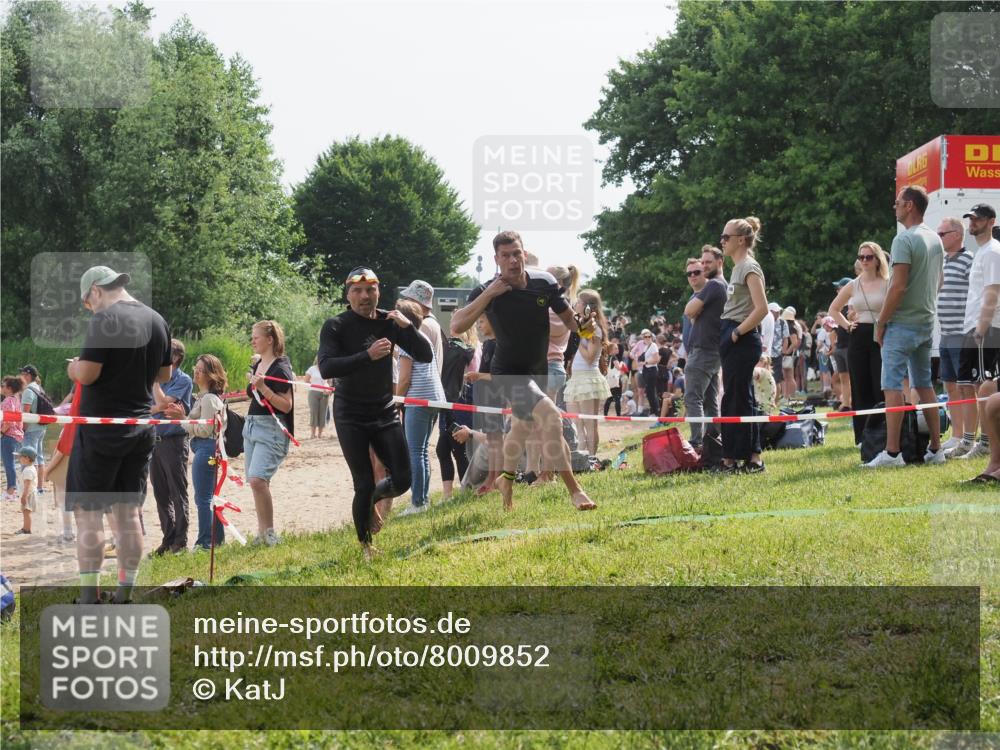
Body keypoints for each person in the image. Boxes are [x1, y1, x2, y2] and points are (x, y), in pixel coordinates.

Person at [450, 230, 596, 511]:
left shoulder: (544, 283)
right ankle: (575, 490)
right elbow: (457, 325)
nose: (513, 260)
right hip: (508, 372)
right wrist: (490, 294)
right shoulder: (486, 290)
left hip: (537, 370)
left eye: (516, 253)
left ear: (524, 254)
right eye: (505, 256)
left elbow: (571, 322)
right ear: (496, 259)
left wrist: (584, 326)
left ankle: (505, 480)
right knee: (551, 417)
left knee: (520, 428)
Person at [66, 265, 172, 604]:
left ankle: (89, 599)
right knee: (128, 517)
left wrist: (73, 366)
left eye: (87, 303)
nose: (90, 309)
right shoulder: (157, 320)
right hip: (140, 429)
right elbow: (164, 375)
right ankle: (124, 595)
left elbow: (88, 374)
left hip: (100, 431)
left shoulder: (105, 319)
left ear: (95, 291)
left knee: (88, 516)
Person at [318, 267, 432, 560]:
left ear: (379, 292)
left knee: (403, 480)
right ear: (348, 295)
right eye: (357, 291)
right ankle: (366, 546)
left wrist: (408, 328)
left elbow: (425, 355)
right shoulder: (336, 325)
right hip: (350, 413)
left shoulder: (390, 322)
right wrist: (367, 356)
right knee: (364, 482)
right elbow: (327, 367)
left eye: (370, 290)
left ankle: (372, 501)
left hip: (384, 411)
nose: (364, 296)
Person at [866, 186, 945, 468]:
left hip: (901, 324)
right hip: (926, 322)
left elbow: (897, 286)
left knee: (891, 386)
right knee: (924, 385)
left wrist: (881, 322)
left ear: (909, 205)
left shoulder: (904, 239)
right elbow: (939, 281)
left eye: (898, 202)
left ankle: (892, 453)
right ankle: (936, 448)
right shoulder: (935, 238)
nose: (895, 206)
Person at [718, 216, 769, 473]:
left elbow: (762, 308)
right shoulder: (738, 267)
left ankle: (747, 458)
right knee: (735, 397)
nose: (722, 241)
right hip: (732, 333)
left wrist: (737, 332)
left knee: (739, 399)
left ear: (740, 240)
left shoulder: (749, 266)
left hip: (742, 336)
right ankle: (739, 457)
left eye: (726, 237)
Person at [951, 203, 1000, 461]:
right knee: (971, 385)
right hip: (974, 326)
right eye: (971, 218)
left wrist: (981, 328)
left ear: (991, 222)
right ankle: (970, 440)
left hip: (987, 328)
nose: (973, 222)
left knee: (984, 387)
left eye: (978, 219)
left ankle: (986, 443)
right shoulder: (982, 251)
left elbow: (992, 292)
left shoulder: (992, 251)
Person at [828, 242, 889, 446]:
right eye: (861, 257)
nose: (864, 261)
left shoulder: (887, 282)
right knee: (860, 387)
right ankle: (862, 437)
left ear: (877, 259)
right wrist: (847, 325)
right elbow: (834, 309)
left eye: (868, 257)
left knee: (879, 386)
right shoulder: (853, 284)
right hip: (858, 335)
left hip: (880, 334)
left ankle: (882, 433)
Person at [165, 354, 228, 550]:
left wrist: (182, 418)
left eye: (201, 370)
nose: (196, 372)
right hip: (207, 448)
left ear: (211, 375)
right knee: (208, 497)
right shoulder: (205, 397)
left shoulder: (208, 399)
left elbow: (204, 430)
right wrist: (184, 418)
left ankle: (205, 542)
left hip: (206, 448)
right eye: (196, 368)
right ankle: (216, 540)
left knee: (203, 499)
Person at [244, 320, 295, 545]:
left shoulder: (281, 368)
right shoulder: (259, 364)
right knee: (256, 481)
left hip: (271, 428)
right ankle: (262, 532)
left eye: (256, 337)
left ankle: (270, 533)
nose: (252, 341)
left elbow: (286, 405)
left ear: (270, 339)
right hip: (252, 426)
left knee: (257, 479)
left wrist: (264, 388)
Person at [394, 298, 446, 515]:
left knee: (415, 451)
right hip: (434, 398)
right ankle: (422, 500)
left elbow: (404, 379)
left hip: (418, 399)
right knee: (422, 451)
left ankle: (417, 503)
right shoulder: (422, 337)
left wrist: (396, 401)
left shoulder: (407, 342)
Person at [933, 216, 976, 454]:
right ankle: (956, 435)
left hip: (963, 333)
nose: (939, 238)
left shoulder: (969, 260)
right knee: (949, 386)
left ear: (957, 235)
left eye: (942, 234)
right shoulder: (941, 261)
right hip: (946, 333)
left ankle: (969, 438)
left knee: (965, 387)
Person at [149, 339, 193, 555]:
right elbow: (149, 407)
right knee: (160, 493)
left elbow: (164, 404)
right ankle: (167, 539)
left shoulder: (183, 380)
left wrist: (154, 383)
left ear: (175, 358)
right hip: (153, 441)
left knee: (178, 492)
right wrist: (157, 406)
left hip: (174, 441)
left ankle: (180, 541)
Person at [684, 250, 727, 449]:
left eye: (698, 271)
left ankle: (697, 443)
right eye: (689, 273)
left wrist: (695, 307)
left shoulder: (713, 285)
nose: (693, 276)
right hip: (709, 350)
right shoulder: (718, 287)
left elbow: (689, 311)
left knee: (693, 397)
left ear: (720, 262)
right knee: (710, 400)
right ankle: (712, 442)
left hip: (704, 350)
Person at [564, 289, 612, 456]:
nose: (575, 304)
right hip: (576, 379)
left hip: (588, 378)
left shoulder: (595, 328)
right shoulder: (580, 325)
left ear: (587, 307)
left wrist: (577, 342)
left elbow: (591, 358)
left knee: (590, 424)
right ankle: (582, 458)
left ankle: (591, 459)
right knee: (577, 425)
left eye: (578, 302)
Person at [465, 315, 505, 495]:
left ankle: (495, 477)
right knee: (492, 438)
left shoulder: (499, 345)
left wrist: (478, 375)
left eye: (482, 322)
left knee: (496, 439)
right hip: (486, 397)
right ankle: (492, 476)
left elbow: (499, 376)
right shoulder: (488, 344)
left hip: (495, 397)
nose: (479, 325)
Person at [42, 382, 83, 542]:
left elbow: (60, 453)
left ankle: (67, 531)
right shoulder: (81, 426)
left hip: (64, 468)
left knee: (64, 499)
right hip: (80, 465)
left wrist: (47, 470)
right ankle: (81, 531)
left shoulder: (66, 430)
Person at [399, 280, 444, 375]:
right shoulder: (432, 321)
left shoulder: (423, 325)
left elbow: (408, 363)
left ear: (417, 302)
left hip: (418, 383)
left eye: (408, 299)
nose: (405, 302)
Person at [18, 365, 48, 485]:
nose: (21, 376)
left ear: (28, 375)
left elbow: (25, 414)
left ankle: (30, 487)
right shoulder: (39, 388)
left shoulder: (28, 390)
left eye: (23, 374)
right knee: (39, 458)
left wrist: (23, 429)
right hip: (41, 427)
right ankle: (39, 487)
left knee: (28, 459)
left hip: (31, 429)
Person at [1, 377, 24, 502]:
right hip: (16, 436)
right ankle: (13, 489)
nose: (1, 387)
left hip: (8, 436)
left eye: (3, 386)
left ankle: (11, 491)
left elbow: (8, 421)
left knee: (8, 464)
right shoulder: (16, 400)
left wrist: (1, 433)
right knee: (12, 464)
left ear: (9, 388)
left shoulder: (8, 401)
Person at [302, 357, 332, 439]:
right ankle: (312, 434)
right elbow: (306, 380)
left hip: (325, 393)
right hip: (313, 393)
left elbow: (330, 381)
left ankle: (320, 434)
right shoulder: (312, 369)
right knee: (313, 412)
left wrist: (328, 388)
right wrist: (313, 385)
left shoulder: (327, 369)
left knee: (323, 413)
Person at [14, 446, 38, 535]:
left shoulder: (28, 470)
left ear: (27, 458)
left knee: (26, 512)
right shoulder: (31, 468)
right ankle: (25, 528)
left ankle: (27, 530)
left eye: (20, 456)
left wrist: (24, 496)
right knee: (26, 512)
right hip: (30, 493)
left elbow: (27, 485)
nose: (18, 458)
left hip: (28, 495)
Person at [780, 307, 799, 400]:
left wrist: (786, 352)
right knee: (788, 377)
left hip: (788, 355)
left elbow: (794, 343)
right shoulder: (792, 327)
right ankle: (788, 396)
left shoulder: (790, 328)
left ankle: (789, 396)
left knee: (788, 377)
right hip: (789, 355)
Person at [604, 343, 626, 416]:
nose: (617, 350)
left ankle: (605, 414)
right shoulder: (614, 358)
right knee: (617, 398)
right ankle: (618, 415)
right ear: (611, 350)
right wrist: (622, 363)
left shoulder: (608, 357)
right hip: (615, 380)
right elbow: (618, 367)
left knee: (609, 398)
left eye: (617, 348)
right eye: (615, 348)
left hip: (609, 381)